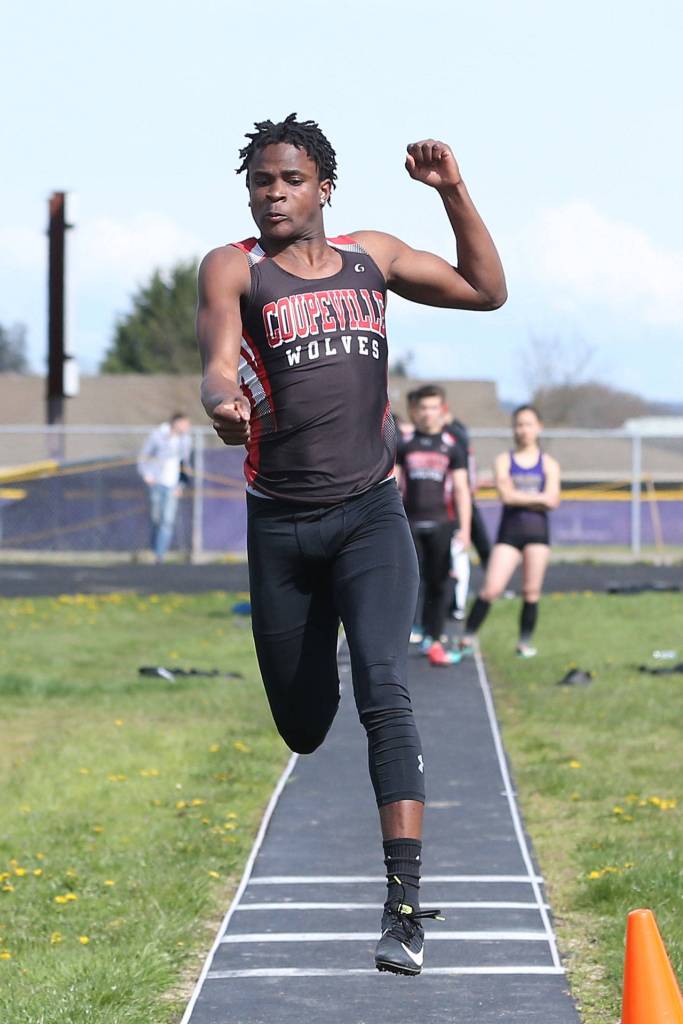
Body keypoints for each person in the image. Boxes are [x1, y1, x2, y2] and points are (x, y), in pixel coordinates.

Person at [195, 114, 506, 976]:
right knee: (301, 727)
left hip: (371, 514)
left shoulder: (370, 258)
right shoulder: (235, 267)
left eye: (289, 180)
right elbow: (220, 361)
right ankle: (316, 644)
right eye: (260, 181)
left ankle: (403, 903)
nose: (273, 194)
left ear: (322, 187)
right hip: (283, 527)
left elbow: (486, 291)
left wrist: (450, 192)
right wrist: (222, 402)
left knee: (385, 692)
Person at [460, 405, 560, 657]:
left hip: (538, 535)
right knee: (491, 588)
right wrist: (536, 497)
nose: (523, 430)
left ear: (539, 427)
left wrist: (521, 496)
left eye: (528, 424)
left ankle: (524, 643)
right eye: (519, 424)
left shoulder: (548, 463)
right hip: (510, 534)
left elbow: (553, 500)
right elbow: (506, 496)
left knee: (531, 591)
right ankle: (467, 637)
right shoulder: (504, 460)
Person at [396, 385, 471, 666]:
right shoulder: (405, 444)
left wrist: (465, 528)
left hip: (442, 523)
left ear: (443, 410)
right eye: (423, 408)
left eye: (433, 407)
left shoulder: (453, 445)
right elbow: (395, 483)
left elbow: (462, 489)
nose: (428, 413)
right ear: (416, 411)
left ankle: (434, 635)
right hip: (410, 523)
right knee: (411, 580)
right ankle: (410, 631)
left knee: (439, 582)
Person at [137, 413, 192, 563]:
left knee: (167, 521)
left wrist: (181, 484)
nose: (187, 428)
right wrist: (146, 474)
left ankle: (159, 555)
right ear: (176, 423)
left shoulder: (185, 440)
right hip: (156, 483)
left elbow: (185, 464)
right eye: (185, 424)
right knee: (156, 518)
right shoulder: (158, 435)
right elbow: (144, 456)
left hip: (172, 486)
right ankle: (153, 548)